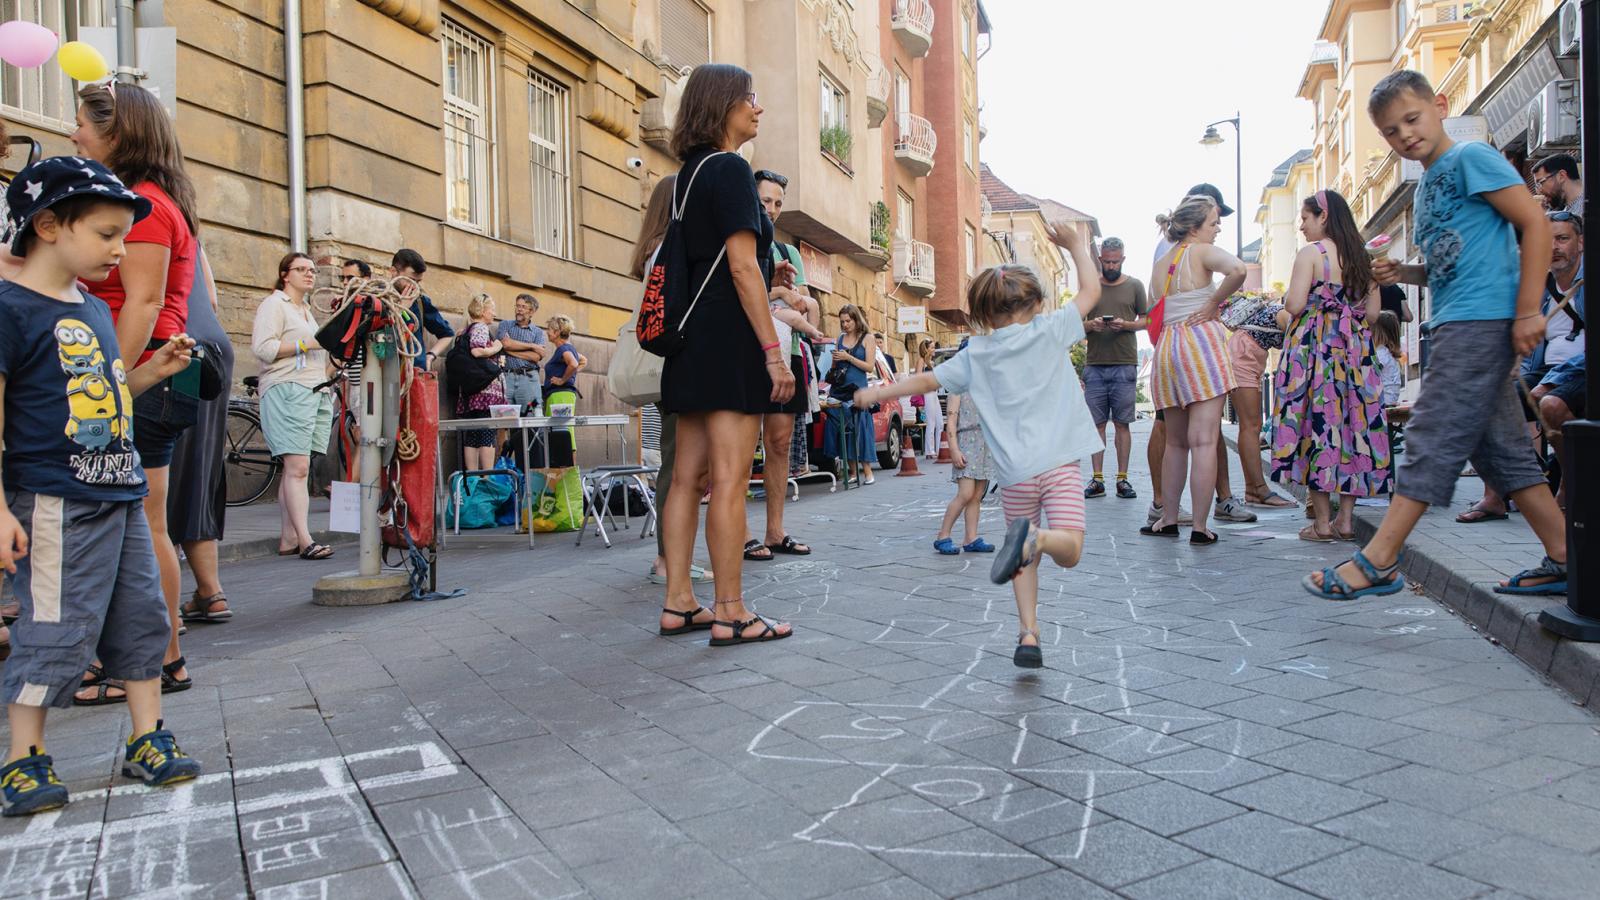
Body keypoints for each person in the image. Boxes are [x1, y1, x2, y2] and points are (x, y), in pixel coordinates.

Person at [1306, 70, 1563, 600]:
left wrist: (1525, 312)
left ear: (1440, 106)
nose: (1405, 134)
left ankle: (1378, 560)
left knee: (1429, 438)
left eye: (1412, 119)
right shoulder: (1426, 187)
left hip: (1480, 323)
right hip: (1454, 322)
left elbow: (1534, 223)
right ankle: (1568, 558)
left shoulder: (1471, 159)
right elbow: (1454, 263)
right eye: (1392, 130)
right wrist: (1405, 273)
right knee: (1503, 455)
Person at [0, 157, 205, 816]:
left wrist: (152, 371)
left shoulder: (87, 305)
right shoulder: (11, 309)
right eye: (108, 233)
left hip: (116, 489)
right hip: (56, 498)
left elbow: (107, 392)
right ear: (51, 224)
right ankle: (23, 757)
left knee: (142, 619)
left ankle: (147, 739)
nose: (121, 249)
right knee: (54, 625)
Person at [853, 225, 1103, 669]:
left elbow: (927, 380)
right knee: (1070, 549)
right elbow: (1091, 290)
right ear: (1038, 304)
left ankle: (1028, 633)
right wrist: (1076, 247)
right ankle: (1039, 540)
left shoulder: (976, 353)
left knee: (1021, 560)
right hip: (1058, 462)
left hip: (1014, 473)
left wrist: (875, 394)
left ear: (984, 314)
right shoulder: (1051, 329)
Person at [656, 63, 795, 645]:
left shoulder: (686, 176)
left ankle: (679, 602)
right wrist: (773, 352)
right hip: (730, 341)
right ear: (723, 105)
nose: (758, 109)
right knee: (732, 479)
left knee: (687, 477)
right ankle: (731, 610)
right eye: (750, 98)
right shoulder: (733, 169)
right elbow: (741, 267)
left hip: (688, 344)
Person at [74, 81, 200, 698]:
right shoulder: (156, 197)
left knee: (146, 525)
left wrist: (108, 385)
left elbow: (144, 302)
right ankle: (154, 655)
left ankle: (161, 658)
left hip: (146, 373)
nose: (76, 135)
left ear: (117, 133)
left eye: (84, 126)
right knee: (144, 524)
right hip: (152, 373)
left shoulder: (146, 204)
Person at [1271, 189, 1391, 542]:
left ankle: (1322, 523)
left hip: (1316, 352)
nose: (1302, 227)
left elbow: (1294, 303)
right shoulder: (1363, 259)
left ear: (1323, 216)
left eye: (1305, 219)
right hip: (1354, 354)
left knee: (1316, 425)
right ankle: (1347, 521)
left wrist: (1285, 311)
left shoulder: (1312, 254)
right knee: (1353, 427)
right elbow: (1371, 315)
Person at [1458, 210, 1584, 522]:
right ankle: (1496, 496)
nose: (1554, 247)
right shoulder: (1540, 284)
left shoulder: (1588, 281)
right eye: (1548, 240)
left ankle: (1569, 487)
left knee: (1551, 403)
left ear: (1580, 242)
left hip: (1581, 370)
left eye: (1563, 239)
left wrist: (1552, 379)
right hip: (1546, 370)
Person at [1145, 182, 1257, 527]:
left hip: (1167, 350)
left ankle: (1167, 518)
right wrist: (1212, 302)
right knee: (1205, 440)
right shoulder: (1201, 251)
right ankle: (1200, 526)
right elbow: (1238, 270)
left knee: (1176, 443)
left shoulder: (1162, 261)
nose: (1217, 227)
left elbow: (1153, 308)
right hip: (1199, 345)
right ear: (1195, 227)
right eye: (1213, 222)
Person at [629, 175, 713, 588]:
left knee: (678, 463)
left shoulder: (653, 248)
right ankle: (668, 558)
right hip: (674, 366)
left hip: (665, 366)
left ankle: (670, 555)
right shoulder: (666, 248)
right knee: (680, 466)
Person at [744, 168, 819, 562]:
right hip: (748, 348)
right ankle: (741, 533)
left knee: (779, 441)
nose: (771, 210)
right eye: (764, 202)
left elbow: (805, 302)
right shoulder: (741, 238)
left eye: (777, 203)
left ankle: (775, 531)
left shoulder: (787, 251)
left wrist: (798, 299)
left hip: (787, 349)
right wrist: (776, 292)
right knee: (741, 444)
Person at [251, 252, 335, 561]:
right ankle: (305, 539)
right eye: (301, 270)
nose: (309, 274)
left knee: (297, 467)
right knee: (298, 468)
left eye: (312, 270)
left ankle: (288, 536)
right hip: (287, 388)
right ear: (285, 274)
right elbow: (263, 348)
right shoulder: (275, 304)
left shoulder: (305, 310)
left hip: (312, 389)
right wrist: (307, 344)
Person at [170, 247, 234, 624]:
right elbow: (209, 298)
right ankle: (211, 593)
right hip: (211, 348)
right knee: (198, 472)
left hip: (170, 344)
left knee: (158, 478)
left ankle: (163, 610)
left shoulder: (133, 213)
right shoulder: (190, 234)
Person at [1081, 236, 1147, 500]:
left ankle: (1122, 479)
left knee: (1122, 424)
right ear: (1100, 260)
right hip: (1095, 364)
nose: (1111, 266)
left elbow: (1148, 319)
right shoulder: (1090, 288)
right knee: (1096, 425)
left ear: (1123, 259)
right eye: (1107, 261)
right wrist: (1091, 325)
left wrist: (1127, 325)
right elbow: (1075, 320)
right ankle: (1097, 480)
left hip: (1124, 363)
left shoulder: (1135, 286)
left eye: (1115, 261)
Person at [1228, 293, 1296, 509]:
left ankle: (1254, 489)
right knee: (1251, 426)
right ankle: (1256, 490)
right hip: (1243, 355)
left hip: (1249, 355)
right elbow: (1297, 344)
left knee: (1252, 426)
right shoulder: (1287, 314)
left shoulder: (1283, 311)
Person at [933, 342, 995, 556]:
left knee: (977, 494)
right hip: (966, 442)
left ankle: (971, 537)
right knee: (965, 493)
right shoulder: (958, 386)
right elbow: (950, 421)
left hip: (985, 443)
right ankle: (943, 535)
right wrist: (954, 449)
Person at [825, 304, 880, 485]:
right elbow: (834, 369)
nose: (845, 325)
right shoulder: (840, 339)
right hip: (841, 390)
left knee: (861, 427)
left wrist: (849, 358)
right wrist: (834, 362)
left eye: (848, 321)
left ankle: (867, 471)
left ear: (856, 320)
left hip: (859, 389)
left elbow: (869, 367)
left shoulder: (867, 338)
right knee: (842, 426)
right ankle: (852, 470)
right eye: (842, 322)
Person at [456, 293, 506, 474]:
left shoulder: (468, 329)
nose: (494, 313)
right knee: (486, 434)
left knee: (473, 434)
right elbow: (477, 351)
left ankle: (472, 477)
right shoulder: (481, 328)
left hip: (473, 392)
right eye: (492, 309)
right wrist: (497, 347)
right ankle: (487, 477)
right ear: (483, 310)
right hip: (484, 392)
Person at [391, 249, 454, 370]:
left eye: (418, 281)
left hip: (415, 372)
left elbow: (447, 334)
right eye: (411, 280)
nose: (415, 286)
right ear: (393, 272)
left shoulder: (420, 301)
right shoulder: (379, 298)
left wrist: (430, 356)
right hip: (385, 373)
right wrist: (401, 308)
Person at [497, 293, 547, 414]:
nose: (519, 309)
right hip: (507, 377)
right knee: (504, 416)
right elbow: (505, 344)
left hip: (529, 379)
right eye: (517, 306)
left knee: (533, 413)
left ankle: (534, 433)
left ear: (532, 311)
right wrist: (532, 346)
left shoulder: (538, 332)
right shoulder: (505, 324)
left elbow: (536, 357)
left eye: (523, 307)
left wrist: (510, 351)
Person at [1532, 153, 1584, 217]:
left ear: (1561, 176)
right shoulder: (1566, 211)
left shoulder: (1591, 208)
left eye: (1540, 182)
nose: (1539, 191)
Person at [1372, 310, 1404, 406]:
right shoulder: (1387, 353)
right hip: (1390, 397)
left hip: (1383, 399)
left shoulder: (1380, 353)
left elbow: (1370, 372)